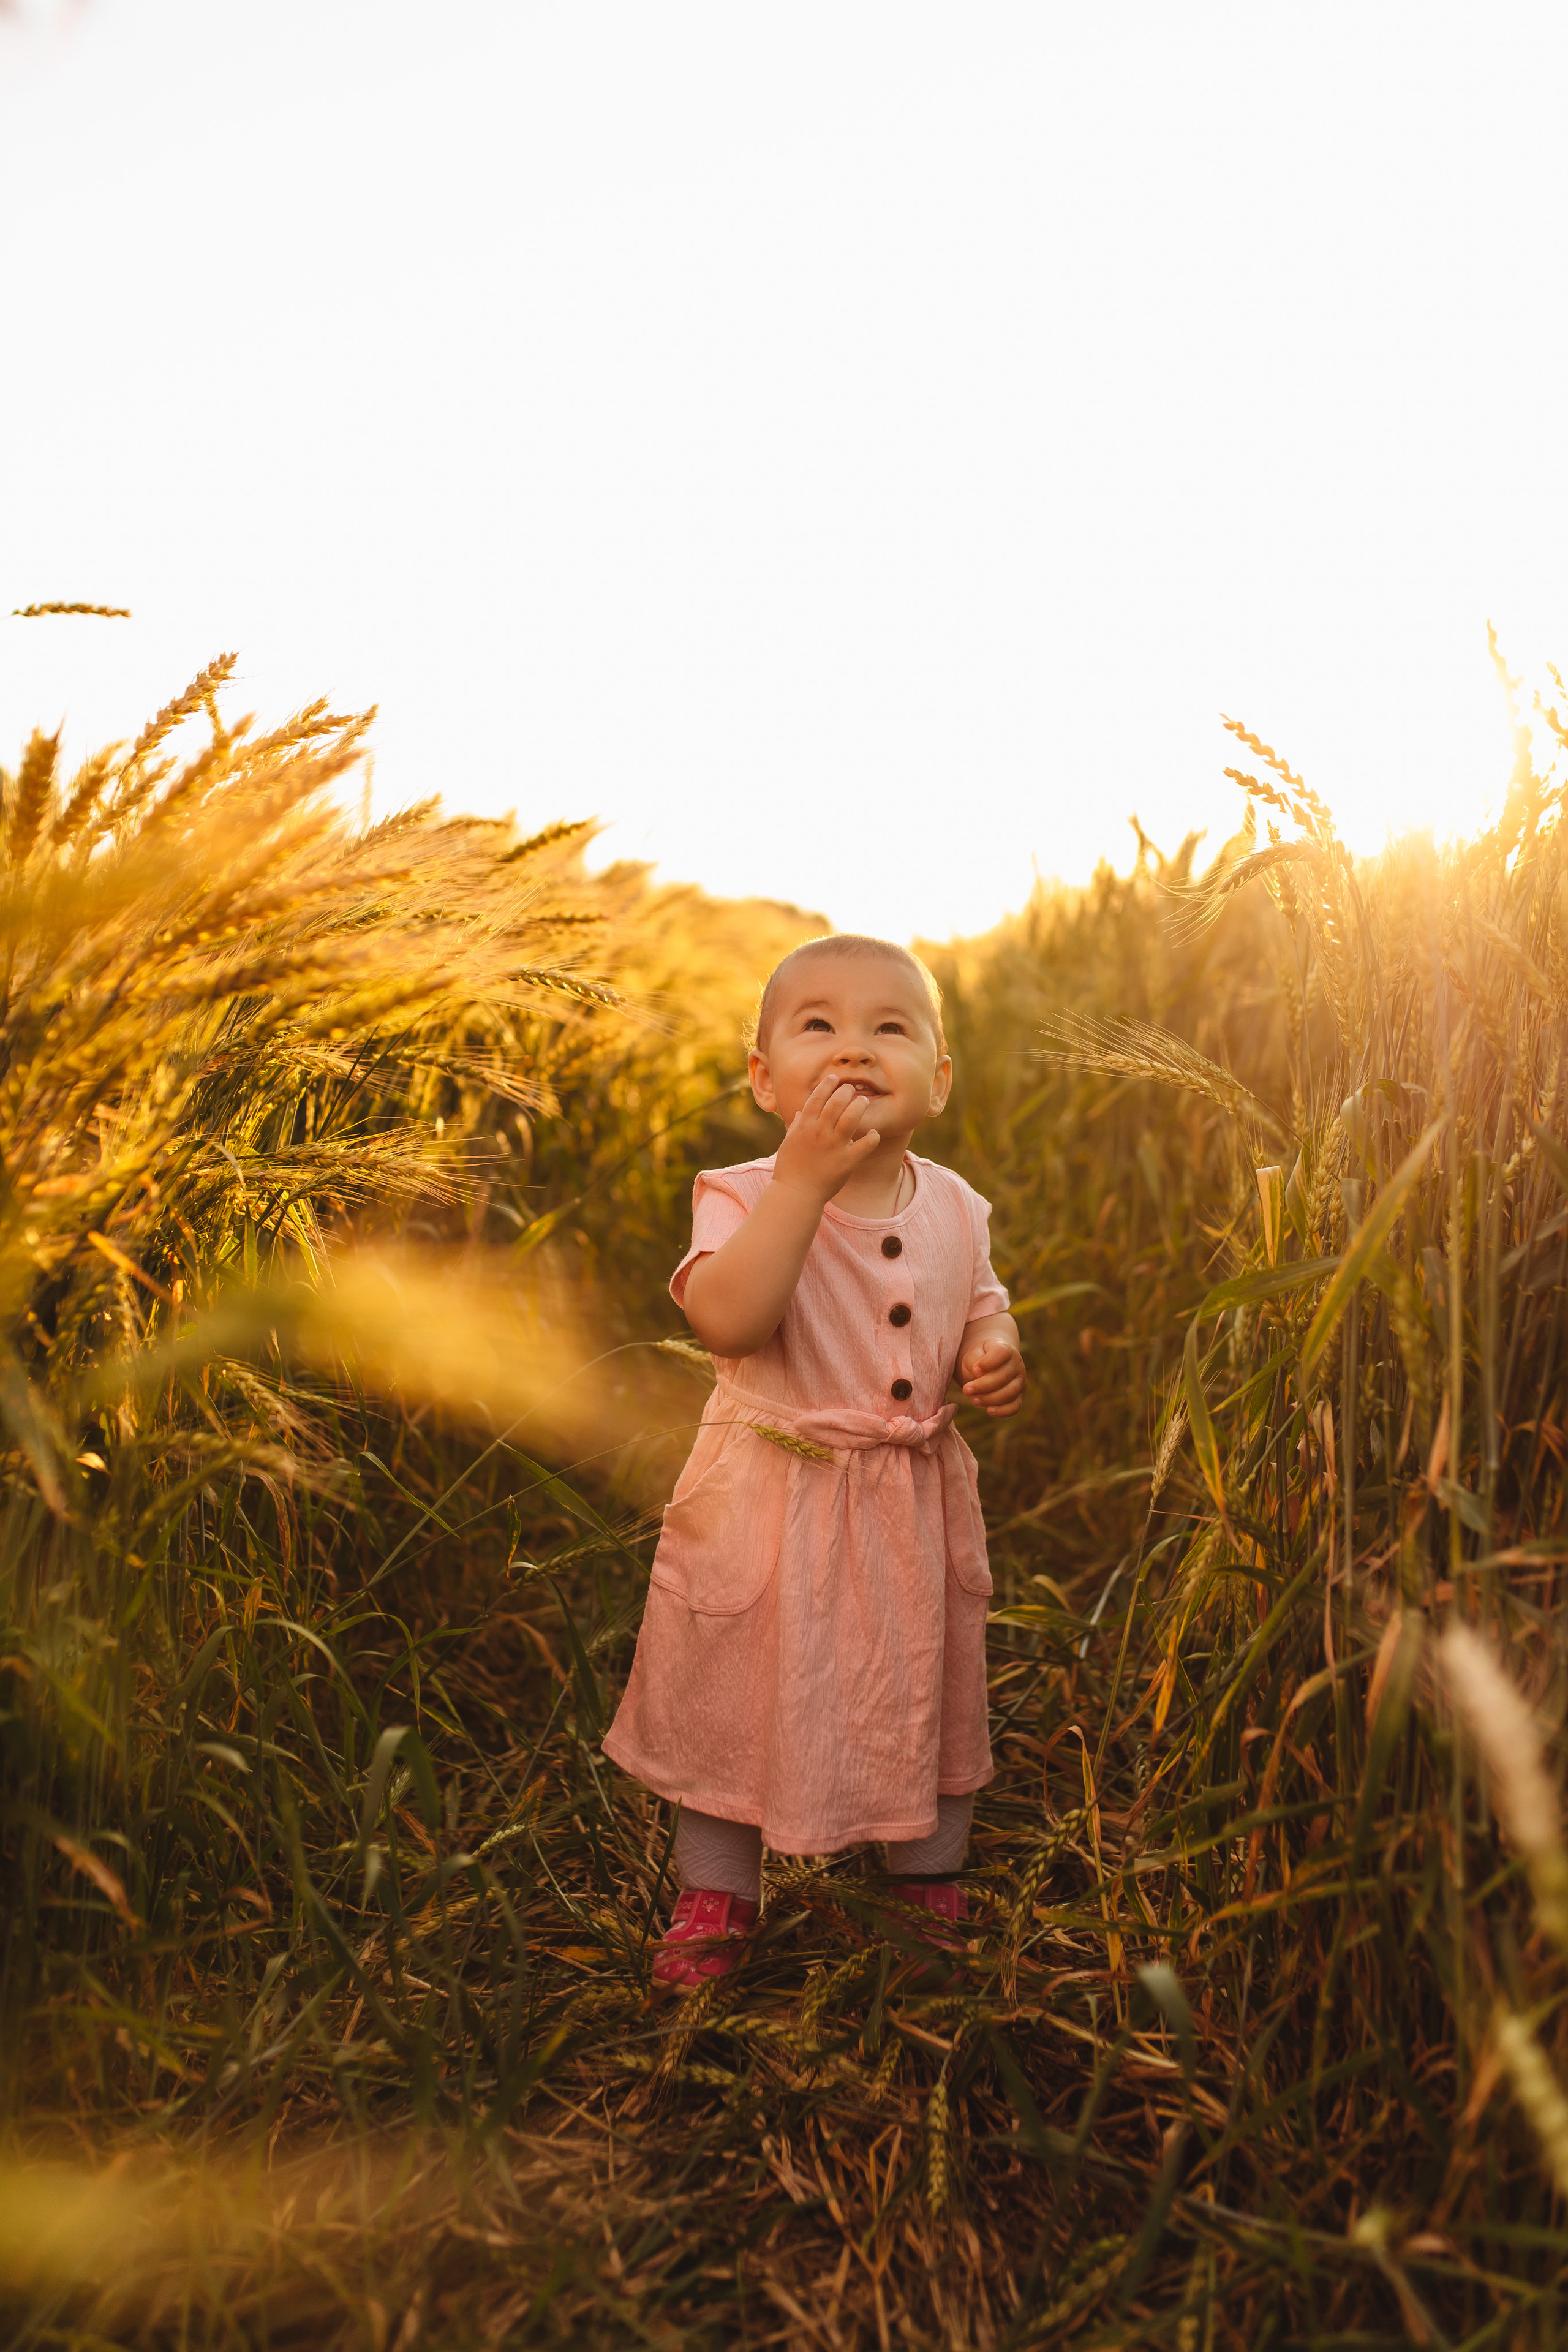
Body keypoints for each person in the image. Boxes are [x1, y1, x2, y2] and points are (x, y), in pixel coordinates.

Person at [601, 934, 1025, 1992]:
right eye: (820, 1026)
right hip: (770, 1498)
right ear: (764, 1078)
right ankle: (717, 1892)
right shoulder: (745, 1193)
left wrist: (992, 1348)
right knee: (735, 1691)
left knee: (924, 1680)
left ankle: (926, 1883)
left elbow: (982, 1300)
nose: (854, 1048)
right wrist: (802, 1181)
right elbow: (729, 1321)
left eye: (891, 1028)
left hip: (908, 1504)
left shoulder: (956, 1203)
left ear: (938, 1080)